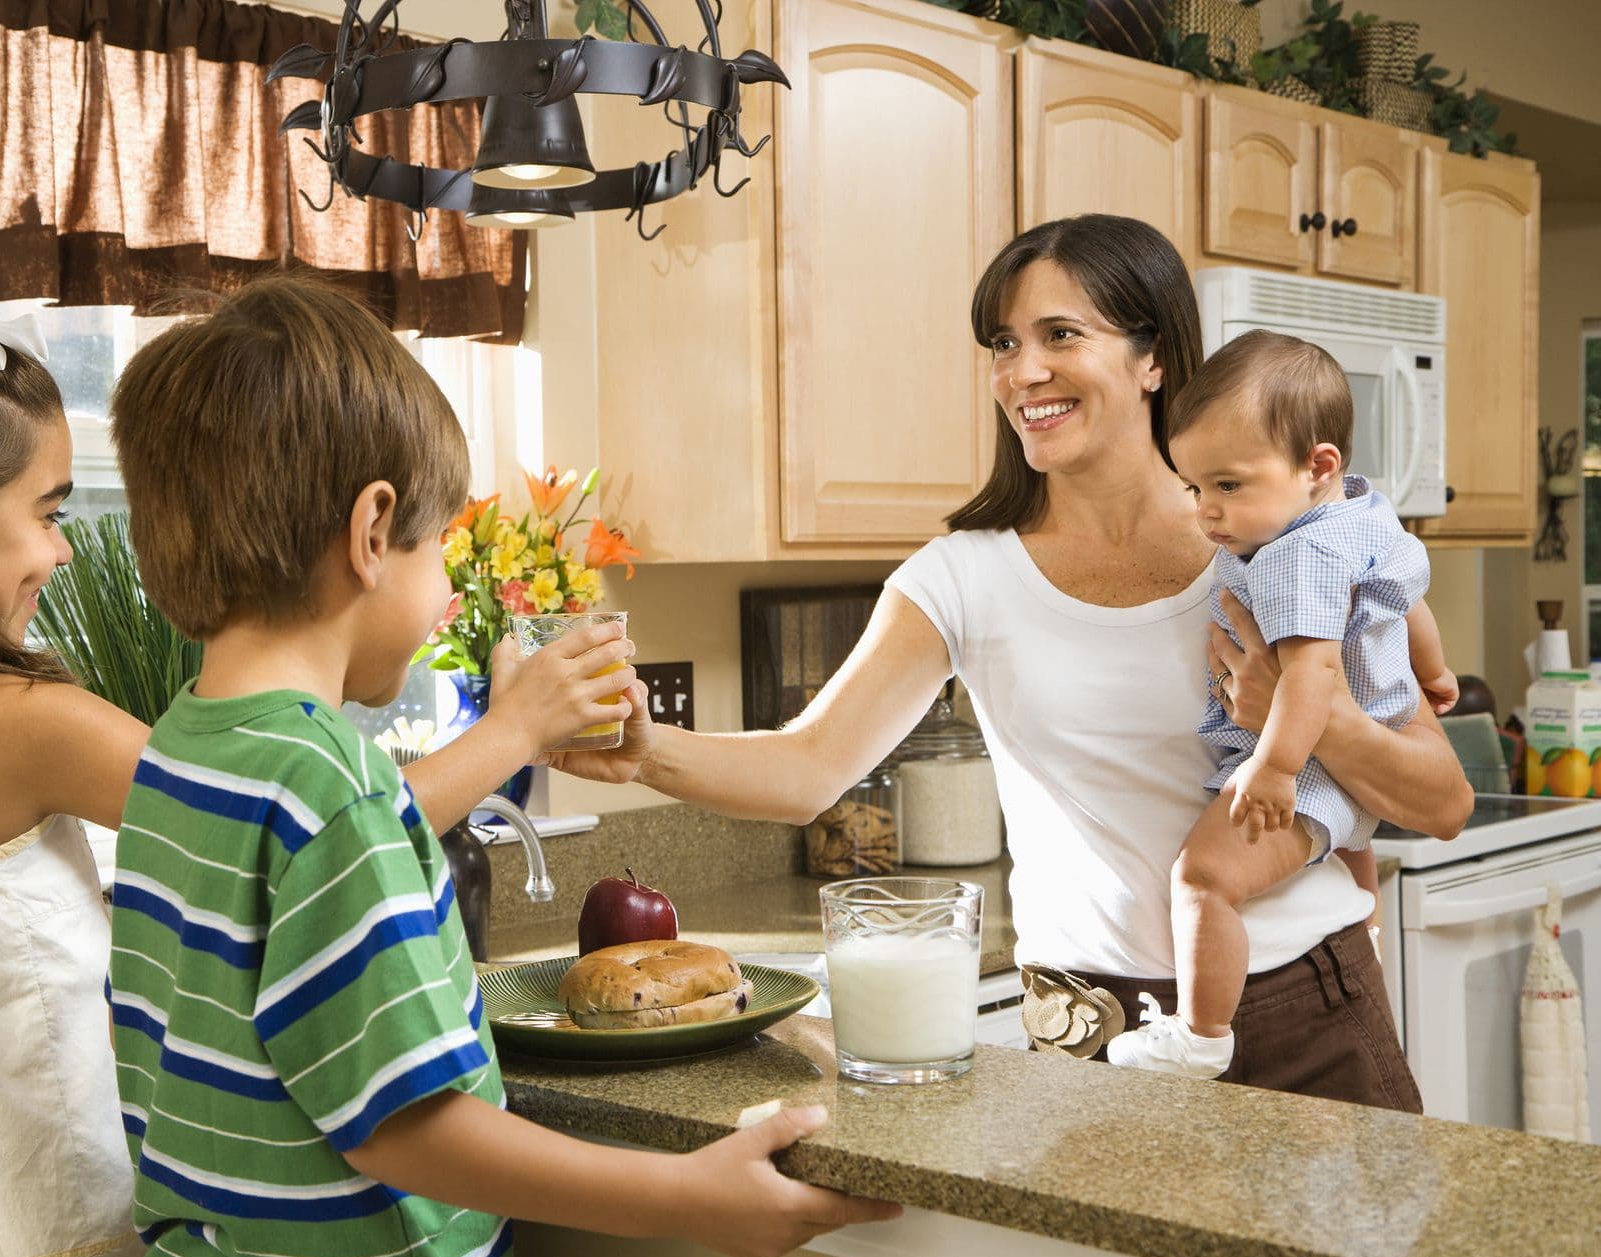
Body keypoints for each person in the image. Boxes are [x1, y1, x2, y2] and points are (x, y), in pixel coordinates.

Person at [0, 271, 631, 1257]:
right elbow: (289, 826)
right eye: (45, 511)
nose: (58, 548)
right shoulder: (25, 726)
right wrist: (515, 729)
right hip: (47, 1246)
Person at [557, 215, 1471, 1110]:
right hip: (1089, 1046)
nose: (1022, 371)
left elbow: (1440, 802)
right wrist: (646, 751)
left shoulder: (1284, 546)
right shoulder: (962, 577)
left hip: (1306, 1015)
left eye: (1061, 334)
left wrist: (1313, 713)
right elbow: (808, 767)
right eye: (1004, 341)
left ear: (1154, 357)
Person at [104, 274, 898, 1257]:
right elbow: (403, 1127)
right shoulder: (329, 782)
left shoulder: (186, 749)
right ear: (371, 533)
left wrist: (515, 730)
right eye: (439, 546)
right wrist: (684, 1198)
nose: (445, 589)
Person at [1102, 329, 1457, 1078]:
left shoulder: (1298, 555)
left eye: (1228, 485)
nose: (1207, 511)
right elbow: (1405, 596)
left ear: (1316, 464)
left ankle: (1200, 1036)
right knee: (1349, 880)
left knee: (1203, 878)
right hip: (1364, 763)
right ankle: (1363, 926)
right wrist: (1435, 670)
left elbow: (1310, 676)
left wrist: (1272, 767)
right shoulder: (1360, 509)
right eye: (1194, 487)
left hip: (1309, 771)